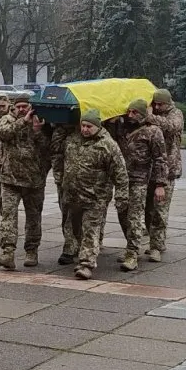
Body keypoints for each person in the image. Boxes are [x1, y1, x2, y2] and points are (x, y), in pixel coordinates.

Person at [61, 110, 129, 280]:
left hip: (95, 198)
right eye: (82, 125)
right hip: (72, 196)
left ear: (98, 126)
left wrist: (122, 196)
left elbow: (120, 173)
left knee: (90, 230)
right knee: (75, 230)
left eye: (89, 126)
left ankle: (86, 264)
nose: (84, 129)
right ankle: (80, 252)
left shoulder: (108, 145)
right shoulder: (72, 140)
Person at [0, 96, 51, 270]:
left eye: (25, 106)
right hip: (10, 179)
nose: (22, 109)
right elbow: (2, 135)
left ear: (30, 106)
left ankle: (31, 251)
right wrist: (23, 123)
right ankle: (7, 253)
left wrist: (38, 131)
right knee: (8, 218)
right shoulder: (7, 120)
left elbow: (48, 147)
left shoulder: (40, 121)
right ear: (14, 108)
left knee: (33, 218)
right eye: (19, 107)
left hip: (34, 181)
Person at [115, 99, 168, 272]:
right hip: (122, 179)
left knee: (135, 216)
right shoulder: (122, 128)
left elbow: (160, 159)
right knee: (122, 212)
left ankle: (132, 253)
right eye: (129, 112)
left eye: (135, 112)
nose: (130, 115)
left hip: (140, 179)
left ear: (143, 114)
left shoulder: (153, 132)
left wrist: (160, 184)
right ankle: (131, 245)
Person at [144, 88, 184, 260]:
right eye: (156, 104)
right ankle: (152, 240)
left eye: (161, 104)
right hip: (148, 169)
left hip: (167, 170)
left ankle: (157, 246)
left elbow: (171, 127)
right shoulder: (153, 113)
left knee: (160, 210)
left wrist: (149, 116)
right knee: (147, 210)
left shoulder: (176, 114)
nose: (158, 107)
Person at [50, 124, 79, 265]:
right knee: (67, 212)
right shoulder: (58, 129)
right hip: (65, 178)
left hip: (91, 180)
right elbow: (55, 153)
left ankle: (90, 244)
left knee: (90, 214)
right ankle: (70, 246)